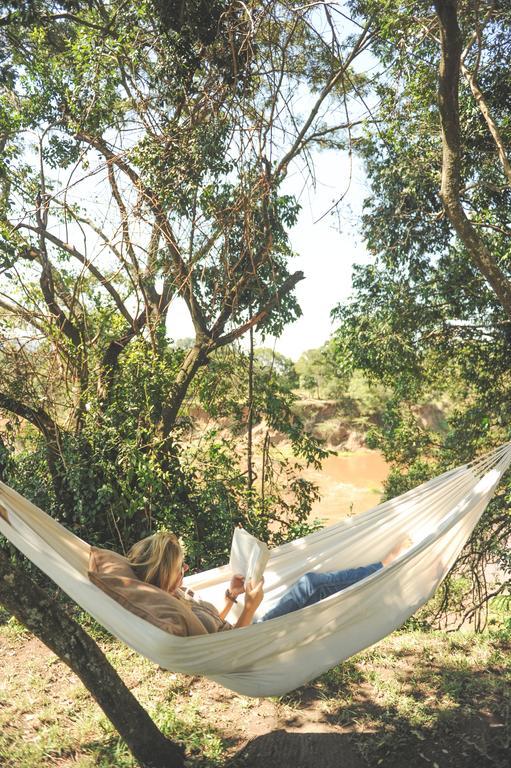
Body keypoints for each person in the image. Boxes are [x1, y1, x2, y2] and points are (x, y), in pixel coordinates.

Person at [127, 531, 411, 631]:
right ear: (163, 574)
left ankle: (383, 577)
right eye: (180, 568)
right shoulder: (172, 611)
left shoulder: (174, 596)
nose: (185, 570)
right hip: (250, 637)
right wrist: (250, 606)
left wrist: (231, 596)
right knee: (311, 585)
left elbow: (211, 627)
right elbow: (226, 647)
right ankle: (385, 566)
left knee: (310, 587)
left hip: (242, 629)